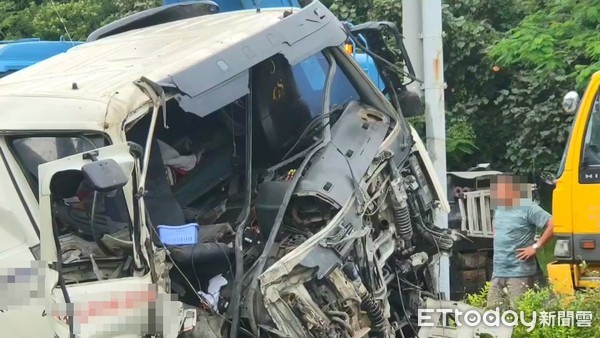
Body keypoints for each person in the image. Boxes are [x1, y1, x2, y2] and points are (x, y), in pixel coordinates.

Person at [486, 174, 554, 309]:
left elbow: (553, 223)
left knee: (520, 315)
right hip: (498, 271)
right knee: (491, 314)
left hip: (519, 273)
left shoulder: (528, 207)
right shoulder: (500, 207)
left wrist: (536, 247)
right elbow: (496, 225)